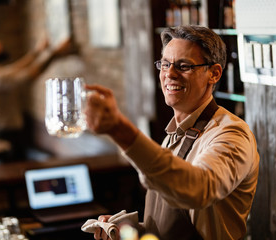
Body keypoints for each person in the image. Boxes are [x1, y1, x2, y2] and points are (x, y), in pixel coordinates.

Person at [85, 25, 259, 240]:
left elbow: (200, 189)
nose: (169, 74)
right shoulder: (174, 135)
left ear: (214, 73)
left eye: (183, 66)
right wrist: (127, 230)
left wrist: (120, 130)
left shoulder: (231, 134)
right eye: (165, 64)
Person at [0, 32, 72, 160]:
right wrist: (54, 55)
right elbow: (28, 75)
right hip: (6, 136)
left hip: (1, 134)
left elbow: (15, 68)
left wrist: (37, 52)